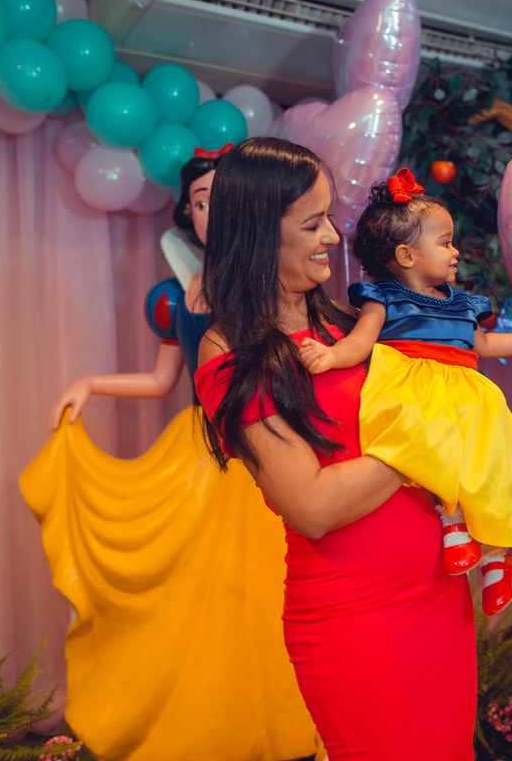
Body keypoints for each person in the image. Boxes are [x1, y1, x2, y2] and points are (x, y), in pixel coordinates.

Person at [24, 146, 322, 761]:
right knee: (191, 602)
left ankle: (287, 723)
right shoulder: (171, 294)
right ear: (187, 213)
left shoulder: (278, 284)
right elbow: (164, 379)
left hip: (262, 447)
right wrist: (89, 384)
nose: (212, 211)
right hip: (200, 452)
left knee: (270, 594)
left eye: (223, 199)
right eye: (200, 202)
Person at [194, 139, 477, 760]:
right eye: (312, 222)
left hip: (439, 599)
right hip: (361, 621)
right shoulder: (229, 351)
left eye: (329, 217)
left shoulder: (344, 325)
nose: (332, 236)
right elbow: (312, 505)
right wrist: (427, 435)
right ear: (259, 232)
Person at [296, 168, 512, 616]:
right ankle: (452, 519)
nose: (456, 251)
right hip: (414, 387)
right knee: (428, 447)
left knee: (489, 465)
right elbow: (361, 342)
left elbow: (483, 345)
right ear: (406, 254)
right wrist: (330, 358)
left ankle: (497, 556)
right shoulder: (384, 298)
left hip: (466, 391)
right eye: (445, 242)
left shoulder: (462, 304)